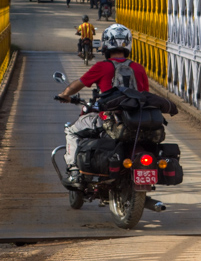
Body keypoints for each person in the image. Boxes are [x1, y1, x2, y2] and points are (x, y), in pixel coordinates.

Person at [57, 24, 150, 185]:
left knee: (71, 131)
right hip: (137, 119)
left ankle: (74, 172)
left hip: (108, 119)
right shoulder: (138, 68)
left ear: (106, 44)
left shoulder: (102, 66)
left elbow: (78, 85)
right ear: (128, 43)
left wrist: (64, 94)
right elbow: (146, 94)